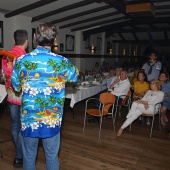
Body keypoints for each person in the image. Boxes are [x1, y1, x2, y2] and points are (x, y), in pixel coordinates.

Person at [11, 23, 78, 170]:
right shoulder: (62, 62)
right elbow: (75, 77)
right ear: (54, 39)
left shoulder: (22, 61)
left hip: (29, 119)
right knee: (52, 157)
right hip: (52, 119)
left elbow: (15, 87)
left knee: (29, 157)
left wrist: (15, 66)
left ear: (35, 37)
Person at [1, 29, 28, 167]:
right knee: (23, 127)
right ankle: (20, 155)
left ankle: (18, 156)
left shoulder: (5, 56)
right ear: (26, 42)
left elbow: (3, 76)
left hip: (11, 97)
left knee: (14, 125)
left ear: (14, 40)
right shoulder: (25, 58)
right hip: (24, 98)